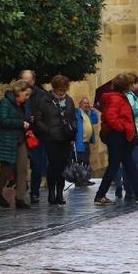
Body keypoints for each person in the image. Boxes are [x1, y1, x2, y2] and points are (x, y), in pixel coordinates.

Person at [95, 74, 138, 205]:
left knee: (130, 165)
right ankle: (100, 195)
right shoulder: (116, 98)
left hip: (122, 136)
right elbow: (110, 117)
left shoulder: (121, 97)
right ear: (126, 86)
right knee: (114, 166)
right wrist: (122, 128)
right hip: (118, 136)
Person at [33, 74, 78, 205]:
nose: (61, 93)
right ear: (54, 88)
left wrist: (73, 131)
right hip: (50, 138)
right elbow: (38, 119)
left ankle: (60, 193)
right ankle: (51, 192)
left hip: (65, 138)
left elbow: (73, 118)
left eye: (64, 90)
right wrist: (47, 130)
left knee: (63, 166)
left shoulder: (69, 100)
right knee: (53, 166)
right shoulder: (45, 100)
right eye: (59, 90)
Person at [0, 80, 33, 209]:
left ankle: (20, 198)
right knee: (6, 170)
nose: (27, 97)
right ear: (19, 91)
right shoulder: (5, 102)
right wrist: (20, 123)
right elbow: (3, 120)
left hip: (20, 139)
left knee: (22, 168)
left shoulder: (20, 105)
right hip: (7, 140)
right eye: (26, 94)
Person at [19, 69, 49, 204]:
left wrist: (34, 120)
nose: (27, 83)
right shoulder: (15, 94)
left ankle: (34, 192)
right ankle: (20, 187)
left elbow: (45, 115)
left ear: (33, 81)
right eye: (24, 80)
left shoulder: (42, 95)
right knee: (18, 164)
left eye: (29, 80)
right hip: (19, 133)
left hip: (36, 134)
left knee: (37, 164)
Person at [73, 97, 99, 186]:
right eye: (85, 103)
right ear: (80, 104)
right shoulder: (77, 112)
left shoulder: (88, 113)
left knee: (86, 161)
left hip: (86, 141)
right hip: (79, 141)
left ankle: (85, 179)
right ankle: (79, 181)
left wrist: (93, 111)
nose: (87, 105)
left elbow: (95, 120)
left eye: (87, 103)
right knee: (80, 161)